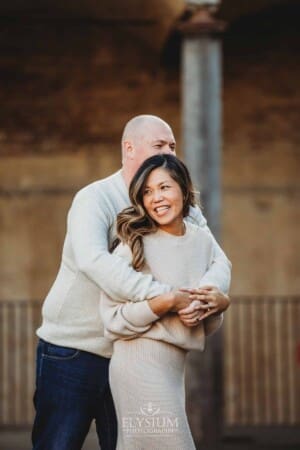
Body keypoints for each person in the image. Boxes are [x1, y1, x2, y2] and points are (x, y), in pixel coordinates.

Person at [32, 114, 231, 450]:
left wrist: (212, 295)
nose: (169, 151)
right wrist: (166, 297)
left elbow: (217, 258)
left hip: (131, 355)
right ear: (129, 147)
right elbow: (94, 261)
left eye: (172, 145)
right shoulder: (94, 198)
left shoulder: (181, 205)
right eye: (159, 145)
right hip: (73, 350)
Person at [100, 153, 230, 450]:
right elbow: (112, 318)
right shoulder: (132, 245)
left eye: (164, 187)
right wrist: (165, 302)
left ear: (184, 191)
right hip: (137, 363)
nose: (156, 198)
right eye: (147, 191)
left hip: (173, 366)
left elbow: (203, 321)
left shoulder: (202, 242)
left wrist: (218, 306)